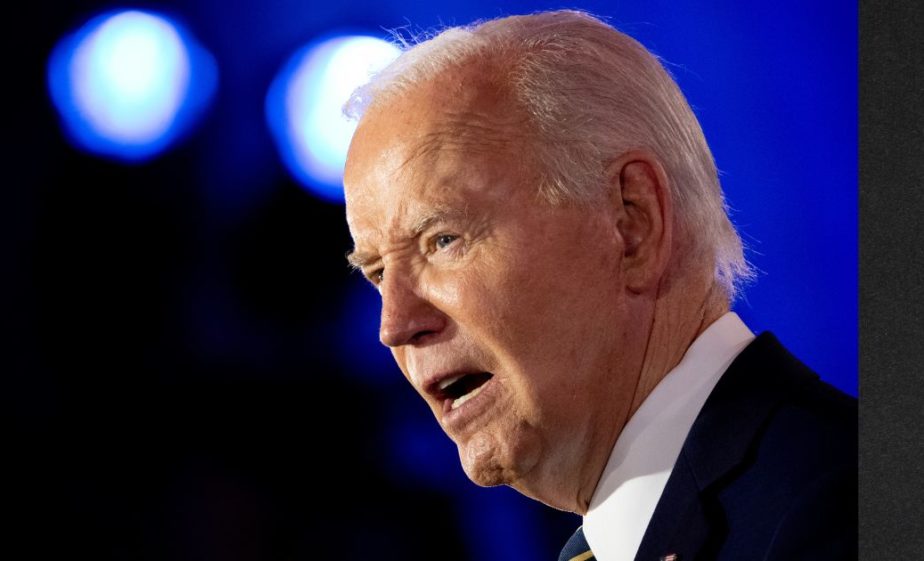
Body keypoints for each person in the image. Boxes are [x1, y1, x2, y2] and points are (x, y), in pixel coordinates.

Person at [340, 9, 856, 561]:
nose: (393, 325)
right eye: (376, 273)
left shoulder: (837, 511)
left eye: (443, 240)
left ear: (631, 223)